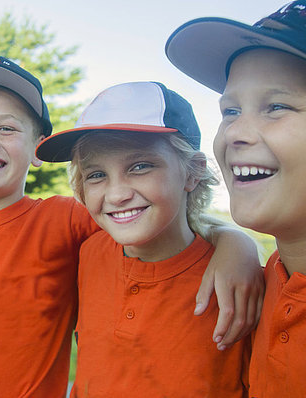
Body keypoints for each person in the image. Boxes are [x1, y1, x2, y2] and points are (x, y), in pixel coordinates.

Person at [0, 56, 263, 397]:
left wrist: (236, 242)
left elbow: (171, 229)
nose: (117, 193)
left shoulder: (66, 223)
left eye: (7, 128)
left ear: (38, 145)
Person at [166, 0, 306, 396]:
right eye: (230, 111)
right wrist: (235, 241)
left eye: (276, 106)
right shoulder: (262, 286)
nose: (234, 134)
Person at [36, 81, 251, 397]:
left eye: (140, 166)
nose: (118, 195)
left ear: (193, 172)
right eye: (96, 174)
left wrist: (238, 243)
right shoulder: (86, 252)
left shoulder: (236, 283)